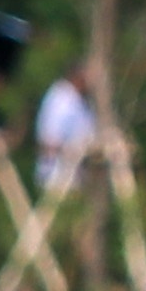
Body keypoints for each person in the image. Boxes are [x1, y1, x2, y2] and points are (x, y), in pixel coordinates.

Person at [33, 65, 99, 195]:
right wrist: (74, 151)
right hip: (57, 174)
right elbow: (50, 138)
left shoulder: (78, 100)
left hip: (75, 173)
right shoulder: (62, 99)